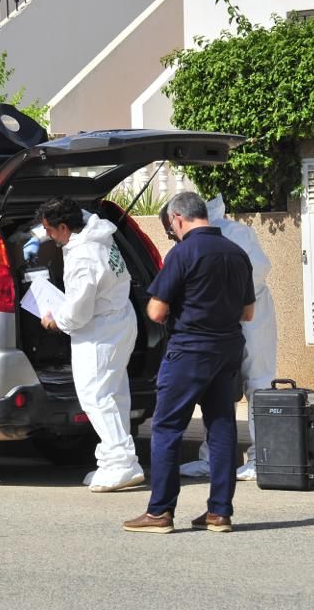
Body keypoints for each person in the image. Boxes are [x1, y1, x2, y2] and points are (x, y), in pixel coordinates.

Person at [123, 192, 255, 533]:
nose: (172, 231)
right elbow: (249, 312)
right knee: (222, 427)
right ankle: (219, 512)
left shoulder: (183, 252)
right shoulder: (237, 253)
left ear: (178, 219)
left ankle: (160, 512)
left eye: (170, 226)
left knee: (167, 428)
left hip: (189, 351)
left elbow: (155, 310)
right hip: (227, 350)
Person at [35, 196, 145, 493]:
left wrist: (54, 319)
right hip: (119, 321)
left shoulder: (83, 256)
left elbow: (79, 311)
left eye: (49, 230)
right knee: (115, 393)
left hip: (99, 331)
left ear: (63, 227)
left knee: (96, 396)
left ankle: (122, 463)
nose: (46, 235)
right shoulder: (98, 234)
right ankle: (113, 458)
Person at [178, 195, 278, 482]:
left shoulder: (235, 233)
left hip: (252, 315)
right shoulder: (207, 238)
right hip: (227, 316)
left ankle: (263, 458)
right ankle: (214, 460)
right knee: (219, 387)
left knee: (258, 382)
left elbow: (257, 271)